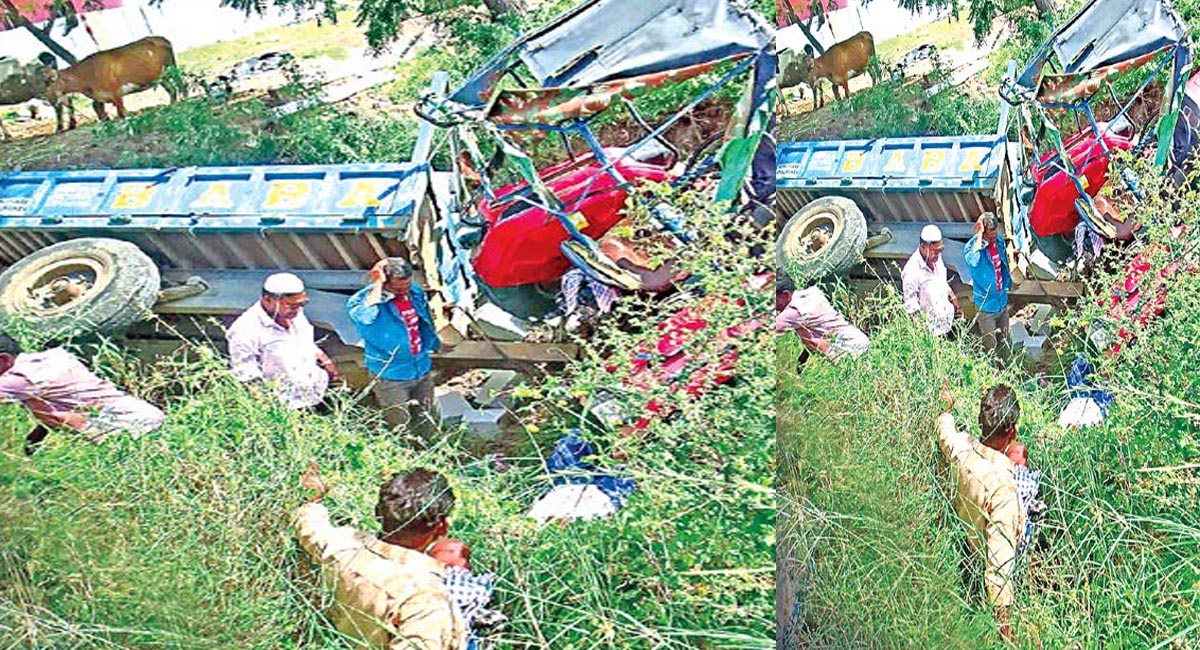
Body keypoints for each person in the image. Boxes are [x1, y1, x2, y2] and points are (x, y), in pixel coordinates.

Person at [296, 464, 467, 649]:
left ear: (378, 513)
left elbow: (309, 525)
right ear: (442, 527)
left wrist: (314, 498)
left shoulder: (341, 545)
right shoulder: (426, 600)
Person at [937, 383, 1026, 644]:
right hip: (980, 560)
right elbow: (1000, 568)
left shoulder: (961, 447)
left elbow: (945, 431)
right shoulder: (1003, 490)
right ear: (1012, 432)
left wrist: (946, 410)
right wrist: (1007, 635)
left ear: (980, 421)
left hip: (964, 540)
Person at [0, 334, 164, 453]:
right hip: (144, 414)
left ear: (4, 360)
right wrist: (33, 443)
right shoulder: (48, 358)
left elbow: (53, 414)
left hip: (126, 423)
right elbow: (55, 404)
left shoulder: (19, 379)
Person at [347, 258, 442, 436]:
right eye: (398, 289)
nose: (404, 292)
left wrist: (432, 343)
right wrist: (377, 284)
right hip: (391, 374)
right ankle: (404, 449)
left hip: (420, 366)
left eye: (407, 286)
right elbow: (366, 319)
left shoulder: (414, 293)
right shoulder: (362, 301)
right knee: (399, 423)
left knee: (428, 416)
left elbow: (423, 322)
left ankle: (430, 444)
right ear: (384, 282)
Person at [226, 273, 339, 409]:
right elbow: (247, 374)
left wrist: (325, 361)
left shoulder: (294, 312)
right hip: (285, 405)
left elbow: (302, 341)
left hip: (315, 393)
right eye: (291, 305)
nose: (298, 309)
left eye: (302, 304)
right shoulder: (245, 330)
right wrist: (271, 411)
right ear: (268, 300)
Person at [963, 213, 1013, 360]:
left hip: (1001, 300)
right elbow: (974, 262)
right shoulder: (972, 249)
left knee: (1006, 340)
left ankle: (1008, 364)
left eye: (994, 235)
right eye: (989, 237)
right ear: (982, 233)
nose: (993, 240)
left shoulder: (998, 241)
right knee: (991, 345)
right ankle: (993, 368)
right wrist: (979, 235)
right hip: (986, 307)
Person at [775, 286, 869, 360]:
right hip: (859, 339)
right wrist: (800, 363)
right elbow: (813, 334)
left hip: (850, 346)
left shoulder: (794, 312)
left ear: (786, 295)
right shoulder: (809, 295)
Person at [902, 224, 960, 336]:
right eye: (935, 251)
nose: (939, 254)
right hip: (931, 331)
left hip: (947, 321)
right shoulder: (911, 271)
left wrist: (952, 297)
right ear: (923, 247)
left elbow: (940, 280)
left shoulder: (935, 257)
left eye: (941, 250)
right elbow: (911, 307)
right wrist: (924, 336)